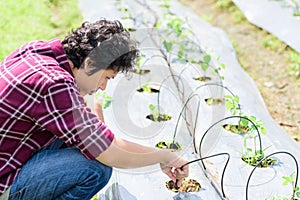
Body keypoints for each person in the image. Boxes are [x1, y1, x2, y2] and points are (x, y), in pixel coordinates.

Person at [0, 19, 189, 200]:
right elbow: (111, 153)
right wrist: (164, 156)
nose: (103, 87)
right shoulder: (54, 85)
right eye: (106, 77)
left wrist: (102, 139)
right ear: (89, 64)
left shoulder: (39, 51)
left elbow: (92, 104)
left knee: (89, 140)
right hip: (4, 182)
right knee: (96, 168)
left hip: (9, 156)